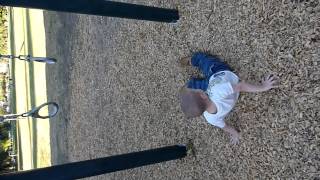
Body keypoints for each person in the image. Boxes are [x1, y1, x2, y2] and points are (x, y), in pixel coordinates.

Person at [179, 52, 277, 144]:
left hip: (211, 85)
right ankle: (193, 60)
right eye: (198, 91)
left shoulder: (210, 118)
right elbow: (241, 86)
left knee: (202, 85)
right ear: (203, 95)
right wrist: (263, 87)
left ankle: (191, 85)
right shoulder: (218, 91)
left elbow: (225, 127)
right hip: (218, 72)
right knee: (205, 62)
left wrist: (235, 134)